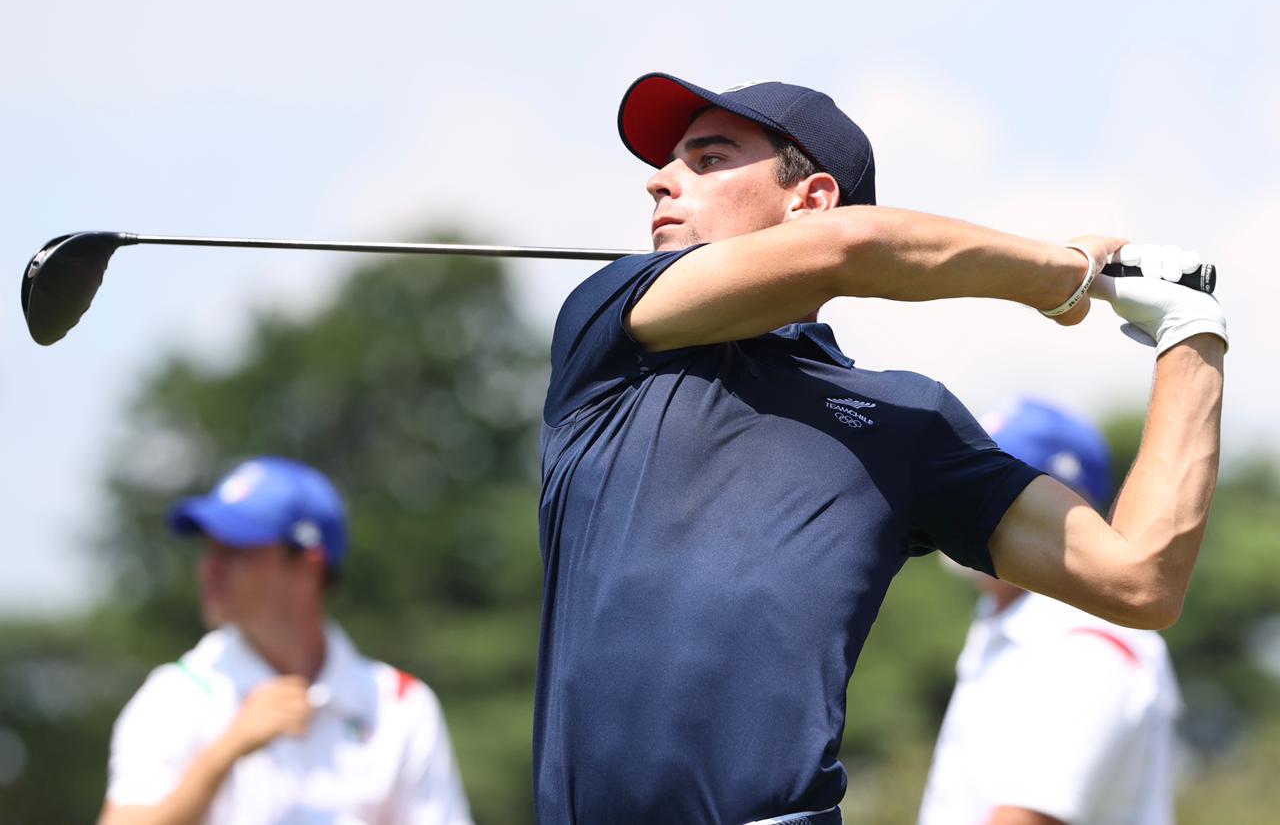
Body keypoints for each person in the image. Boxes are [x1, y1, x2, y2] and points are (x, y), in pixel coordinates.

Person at [535, 73, 1227, 824]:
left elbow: (1140, 580)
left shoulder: (907, 422)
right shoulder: (613, 326)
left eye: (706, 160)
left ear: (810, 199)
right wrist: (1063, 277)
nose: (658, 182)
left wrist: (1191, 337)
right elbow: (852, 250)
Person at [99, 456, 473, 825]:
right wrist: (225, 753)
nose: (208, 568)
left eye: (235, 550)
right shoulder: (175, 694)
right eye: (210, 549)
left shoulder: (401, 705)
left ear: (308, 566)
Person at [918, 397, 1182, 825]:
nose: (959, 506)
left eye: (989, 489)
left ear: (1062, 511)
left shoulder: (1086, 647)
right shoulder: (1008, 630)